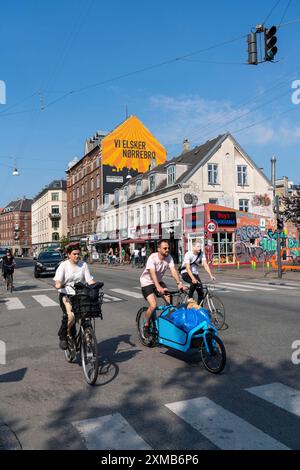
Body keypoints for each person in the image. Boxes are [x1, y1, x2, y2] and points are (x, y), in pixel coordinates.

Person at [53, 243, 96, 350]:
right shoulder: (64, 265)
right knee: (70, 316)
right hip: (66, 294)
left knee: (86, 316)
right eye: (74, 254)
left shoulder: (83, 265)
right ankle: (64, 335)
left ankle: (87, 337)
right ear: (68, 254)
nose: (77, 256)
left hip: (81, 295)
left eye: (78, 254)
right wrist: (58, 284)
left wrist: (95, 285)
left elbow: (89, 280)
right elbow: (58, 281)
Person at [140, 239, 185, 337]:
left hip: (158, 282)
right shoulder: (153, 257)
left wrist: (179, 283)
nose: (167, 250)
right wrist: (158, 287)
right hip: (147, 282)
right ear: (159, 249)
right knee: (153, 305)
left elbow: (173, 271)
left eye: (168, 248)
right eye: (165, 248)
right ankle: (146, 325)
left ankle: (164, 321)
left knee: (169, 302)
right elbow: (152, 274)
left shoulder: (169, 257)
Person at [181, 240, 215, 304]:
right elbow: (188, 268)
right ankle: (190, 298)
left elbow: (205, 265)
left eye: (200, 246)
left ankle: (199, 309)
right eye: (198, 246)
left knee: (201, 292)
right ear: (193, 247)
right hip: (185, 273)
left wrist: (211, 275)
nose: (200, 248)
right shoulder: (188, 254)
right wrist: (193, 279)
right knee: (194, 283)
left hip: (195, 273)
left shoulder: (201, 254)